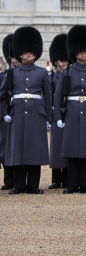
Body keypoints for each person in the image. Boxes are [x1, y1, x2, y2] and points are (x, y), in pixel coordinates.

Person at [54, 25, 86, 194]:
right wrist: (58, 117)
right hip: (71, 113)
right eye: (80, 51)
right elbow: (58, 95)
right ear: (75, 52)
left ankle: (84, 184)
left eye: (85, 51)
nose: (83, 54)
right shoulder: (67, 72)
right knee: (71, 149)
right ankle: (72, 184)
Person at [0, 26, 52, 194]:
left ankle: (33, 186)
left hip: (36, 115)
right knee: (18, 149)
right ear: (20, 53)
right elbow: (3, 95)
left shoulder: (42, 73)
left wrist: (49, 118)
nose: (28, 53)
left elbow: (48, 96)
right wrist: (5, 113)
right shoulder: (12, 73)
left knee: (34, 150)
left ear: (35, 52)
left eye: (31, 51)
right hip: (17, 115)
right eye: (25, 51)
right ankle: (19, 185)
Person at [47, 34, 69, 190]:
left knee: (68, 145)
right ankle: (56, 179)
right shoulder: (50, 78)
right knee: (56, 147)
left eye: (65, 59)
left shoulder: (70, 75)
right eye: (61, 60)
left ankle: (67, 178)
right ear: (55, 61)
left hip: (69, 113)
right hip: (56, 114)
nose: (63, 63)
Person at [0, 34, 18, 191]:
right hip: (6, 116)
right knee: (5, 148)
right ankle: (8, 179)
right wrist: (3, 113)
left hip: (20, 114)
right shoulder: (2, 76)